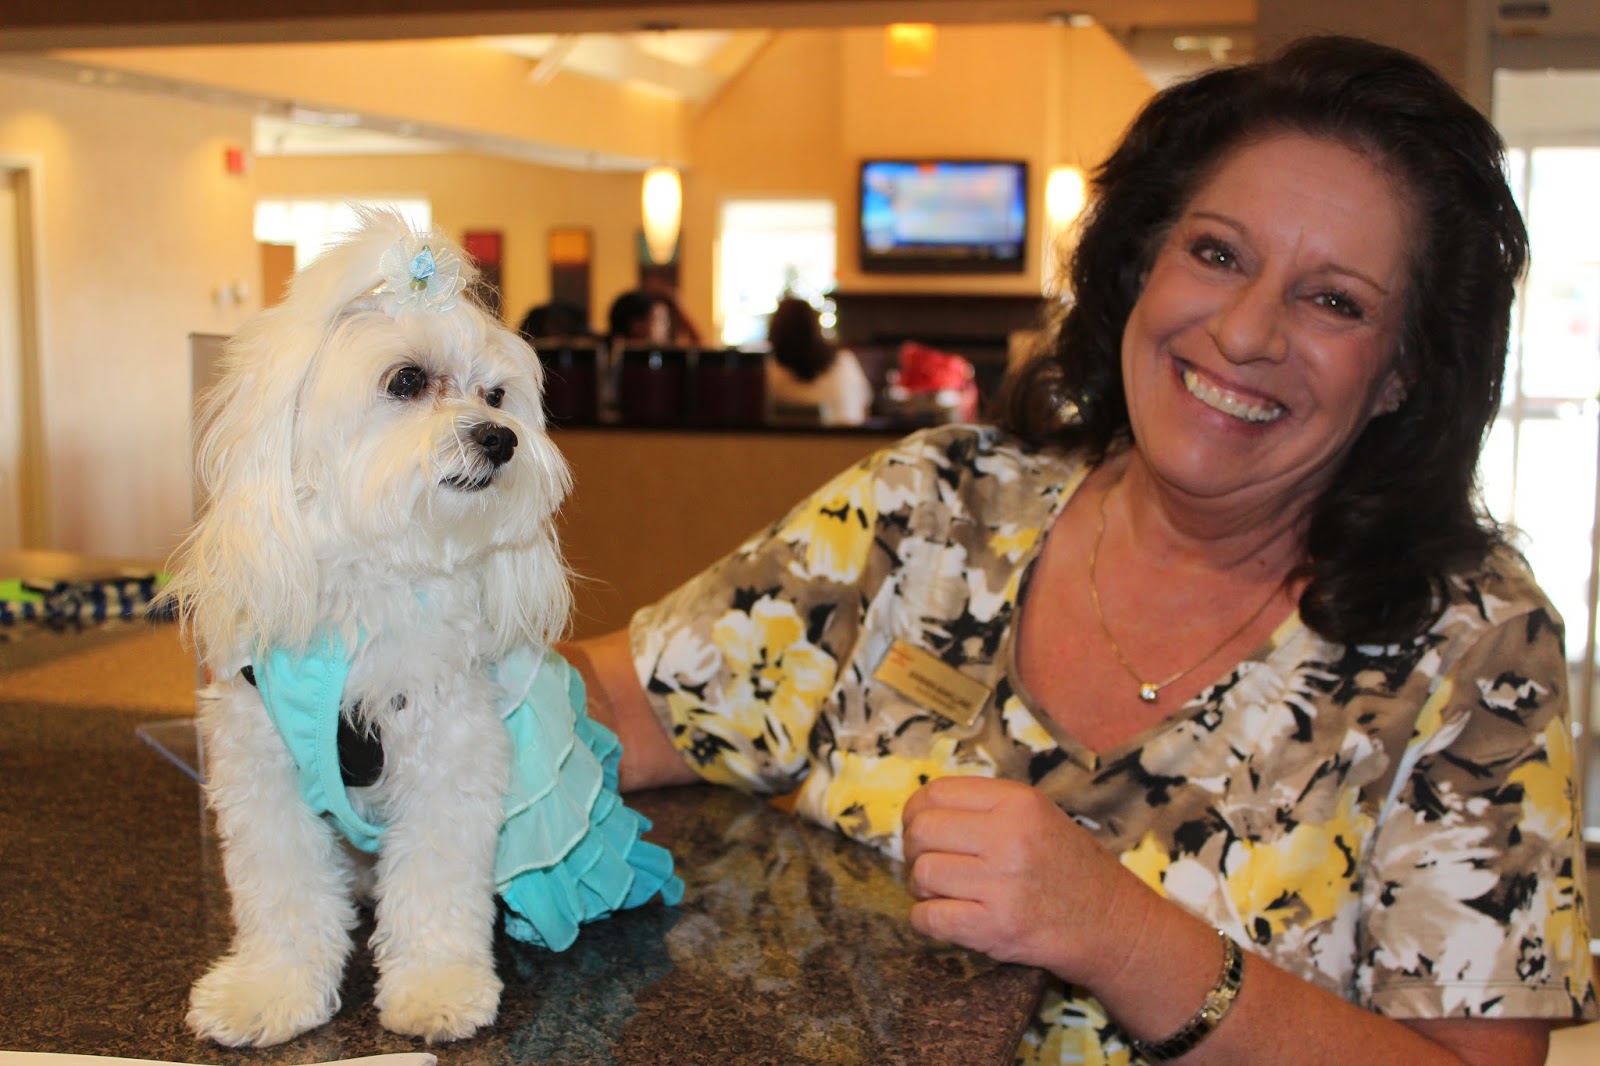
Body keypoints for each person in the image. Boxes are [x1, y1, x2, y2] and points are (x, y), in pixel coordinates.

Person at [560, 36, 1598, 1066]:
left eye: (1335, 301)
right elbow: (614, 704)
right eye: (1217, 253)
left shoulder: (1473, 650)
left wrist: (1124, 938)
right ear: (1143, 260)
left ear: (1404, 370)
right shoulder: (933, 508)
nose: (1245, 332)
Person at [764, 295, 876, 425]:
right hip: (849, 435)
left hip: (784, 438)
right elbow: (866, 409)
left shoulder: (768, 373)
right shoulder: (845, 362)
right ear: (816, 327)